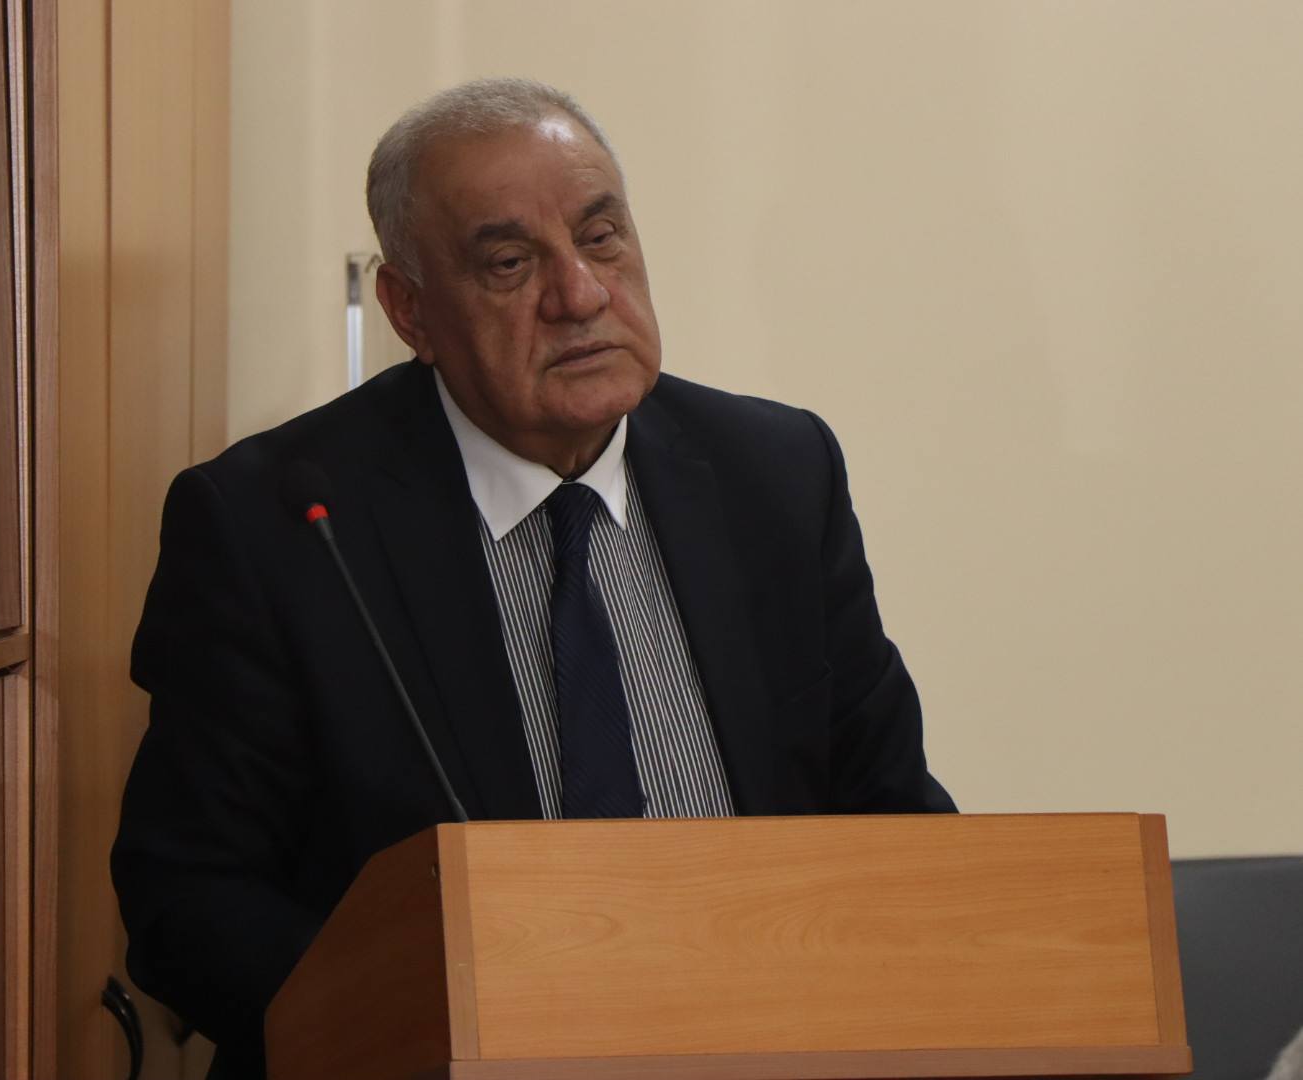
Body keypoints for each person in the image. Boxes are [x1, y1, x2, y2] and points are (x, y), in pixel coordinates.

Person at [113, 78, 954, 1078]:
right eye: (510, 263)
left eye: (601, 238)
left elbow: (892, 817)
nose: (580, 295)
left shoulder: (774, 473)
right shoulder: (279, 524)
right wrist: (425, 1024)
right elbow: (189, 895)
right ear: (410, 310)